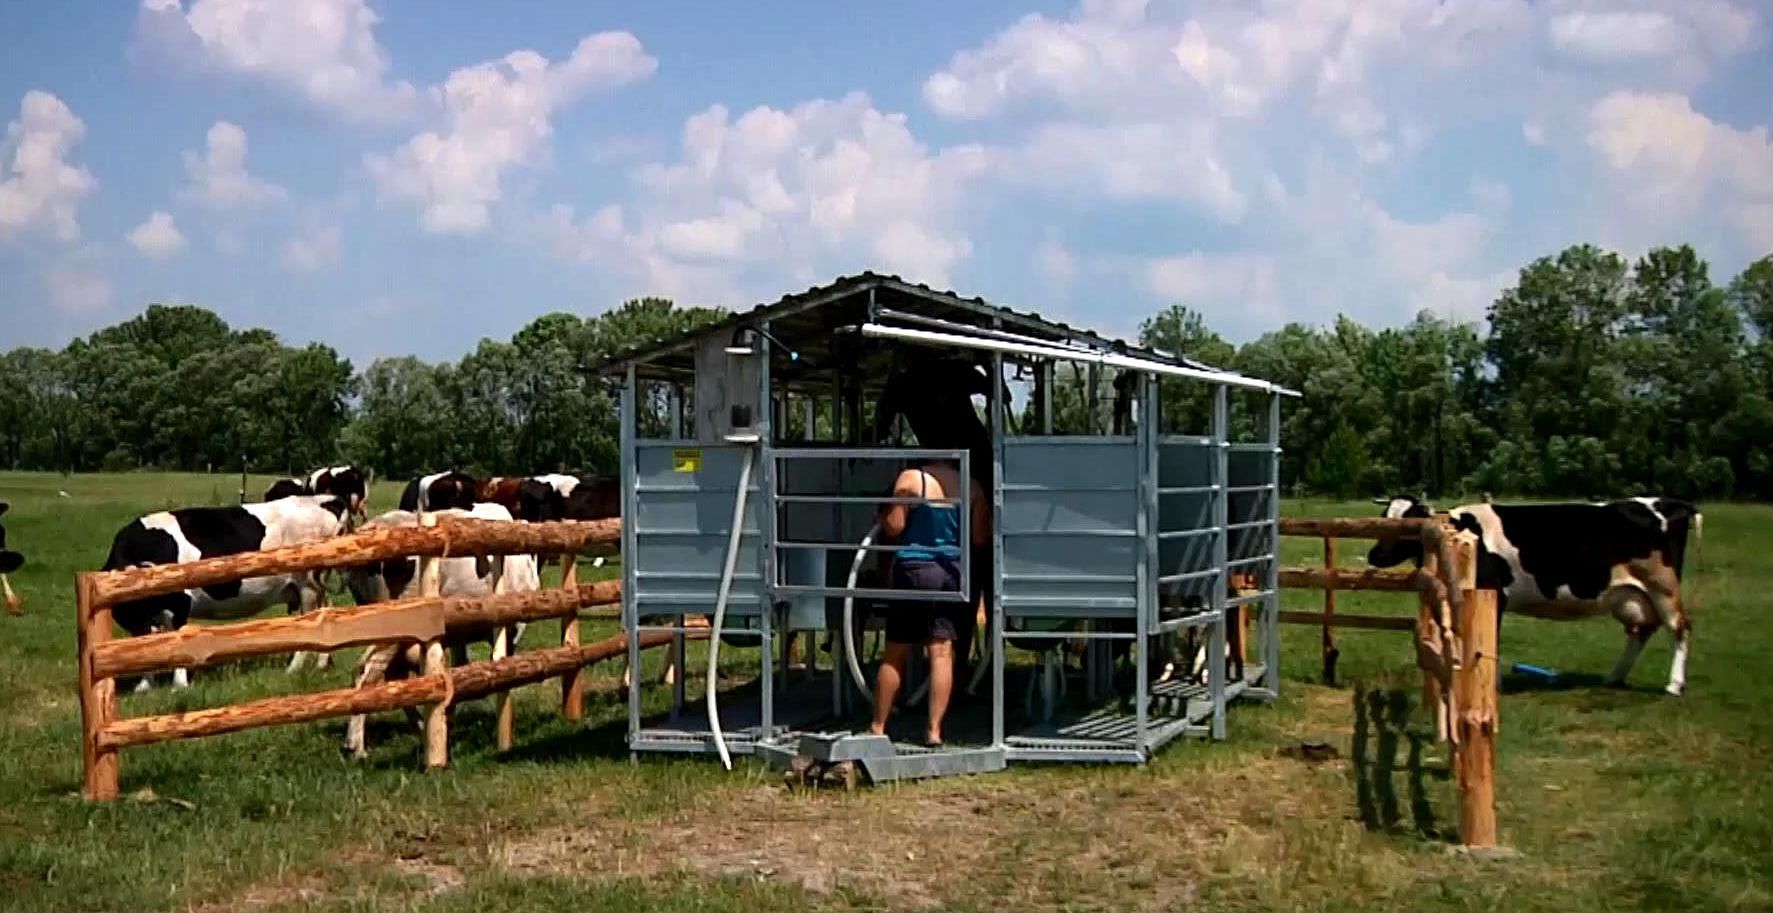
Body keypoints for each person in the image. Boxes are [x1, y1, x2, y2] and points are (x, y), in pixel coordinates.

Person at [869, 459, 989, 747]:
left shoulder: (910, 480)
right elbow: (979, 537)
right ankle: (934, 731)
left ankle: (877, 727)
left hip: (913, 569)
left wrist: (885, 516)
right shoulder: (971, 486)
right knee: (942, 654)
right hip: (951, 572)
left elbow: (894, 527)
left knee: (895, 652)